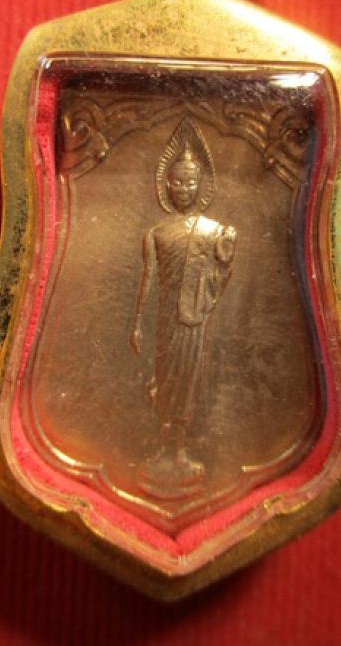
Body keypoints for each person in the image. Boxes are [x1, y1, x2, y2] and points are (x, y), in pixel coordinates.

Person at [130, 142, 236, 499]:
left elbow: (219, 276)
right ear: (166, 185)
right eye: (177, 182)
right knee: (165, 380)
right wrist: (137, 322)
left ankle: (180, 451)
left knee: (188, 382)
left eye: (190, 182)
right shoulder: (156, 233)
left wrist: (225, 255)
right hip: (166, 322)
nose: (184, 189)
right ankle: (165, 448)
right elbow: (148, 279)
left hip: (193, 320)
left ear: (201, 186)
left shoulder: (212, 231)